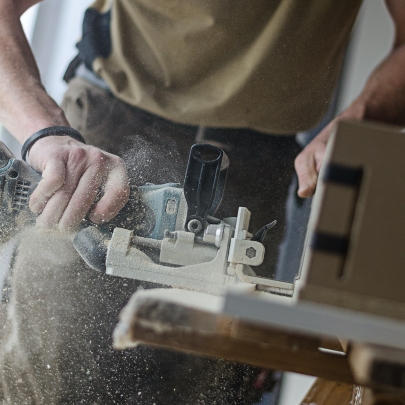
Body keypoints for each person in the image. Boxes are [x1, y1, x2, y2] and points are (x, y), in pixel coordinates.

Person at [0, 0, 404, 403]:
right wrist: (46, 132)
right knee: (50, 377)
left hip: (257, 160)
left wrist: (360, 121)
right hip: (104, 140)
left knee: (206, 387)